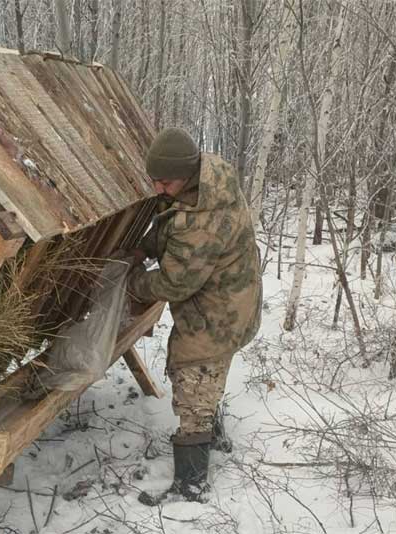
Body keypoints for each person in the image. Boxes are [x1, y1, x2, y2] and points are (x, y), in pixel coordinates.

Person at [124, 127, 262, 504]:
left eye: (163, 182)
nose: (157, 190)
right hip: (231, 300)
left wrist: (133, 282)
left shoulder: (205, 220)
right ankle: (212, 434)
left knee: (194, 376)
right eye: (154, 180)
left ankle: (191, 486)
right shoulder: (201, 185)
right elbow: (173, 221)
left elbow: (173, 284)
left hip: (218, 312)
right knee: (208, 375)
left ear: (184, 174)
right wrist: (146, 247)